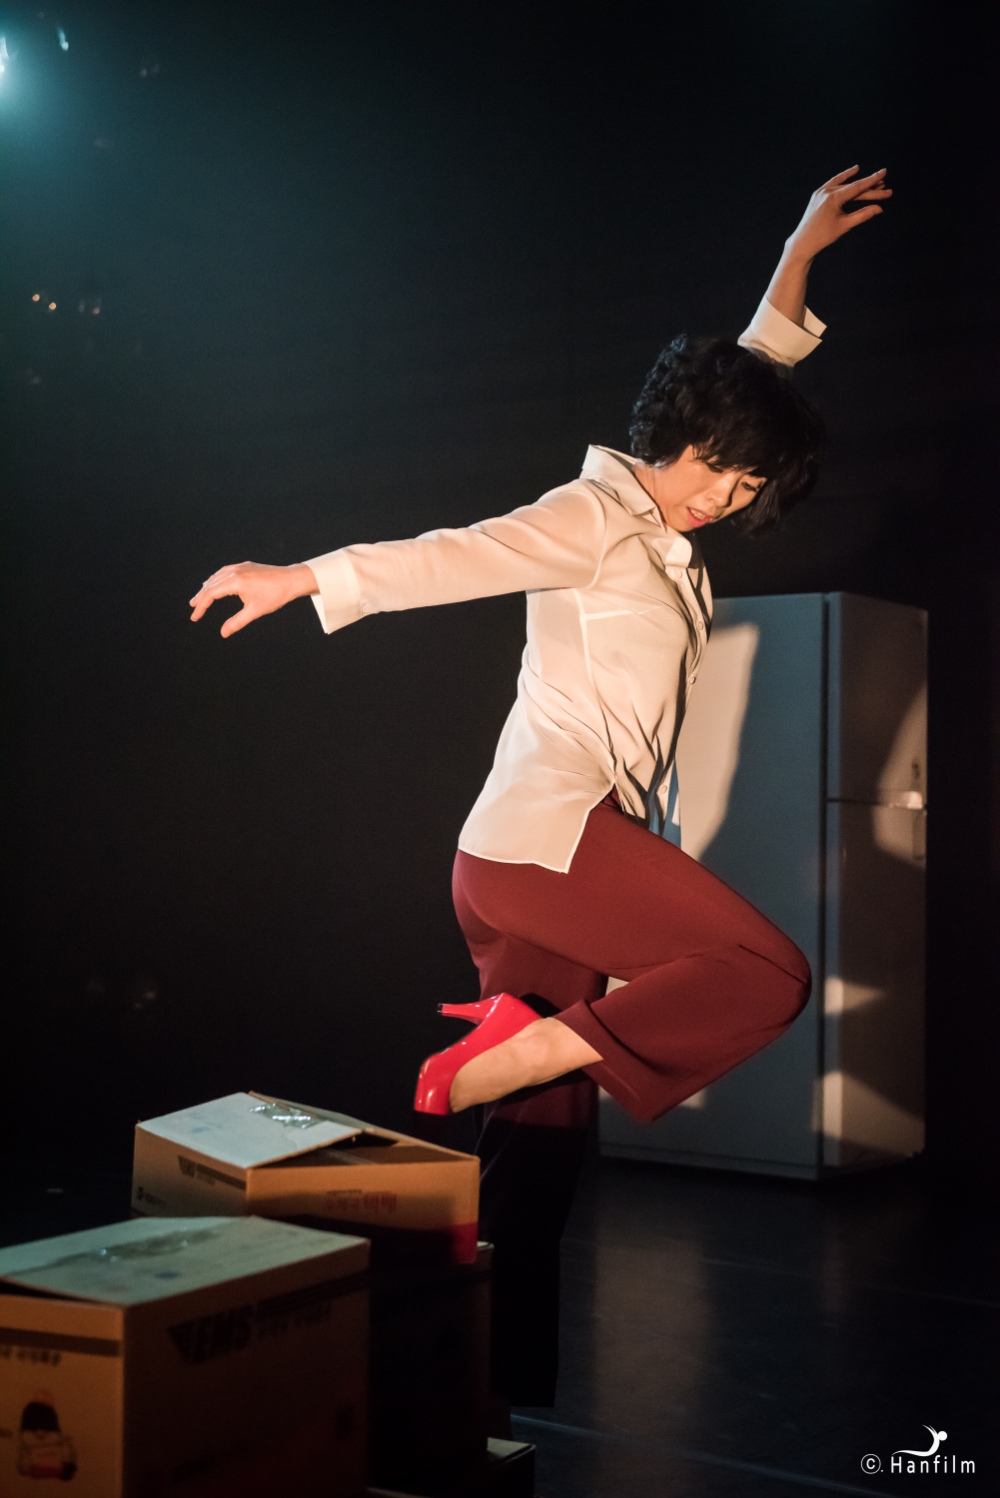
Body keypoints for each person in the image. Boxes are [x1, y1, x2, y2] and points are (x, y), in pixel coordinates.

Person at [190, 165, 891, 1411]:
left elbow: (746, 377)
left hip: (531, 862)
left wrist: (796, 253)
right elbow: (460, 554)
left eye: (747, 493)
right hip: (547, 841)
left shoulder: (667, 509)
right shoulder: (597, 514)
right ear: (687, 444)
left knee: (540, 1154)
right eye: (728, 480)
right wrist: (307, 576)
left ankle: (486, 1396)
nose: (729, 504)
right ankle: (495, 1058)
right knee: (766, 975)